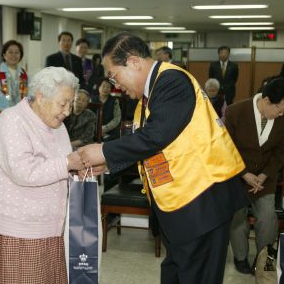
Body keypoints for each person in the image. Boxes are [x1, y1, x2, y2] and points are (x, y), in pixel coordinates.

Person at [78, 32, 249, 284]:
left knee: (196, 276)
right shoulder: (150, 95)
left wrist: (102, 150)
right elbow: (151, 146)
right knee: (176, 272)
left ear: (134, 62)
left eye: (114, 75)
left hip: (202, 203)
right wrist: (108, 163)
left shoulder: (171, 81)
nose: (115, 85)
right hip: (181, 203)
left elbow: (155, 136)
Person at [0, 67, 84, 284]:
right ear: (40, 96)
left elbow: (62, 164)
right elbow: (24, 172)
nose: (67, 111)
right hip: (21, 232)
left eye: (70, 103)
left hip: (51, 228)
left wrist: (79, 167)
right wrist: (68, 163)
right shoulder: (12, 122)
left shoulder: (57, 125)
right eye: (62, 103)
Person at [225, 77, 284, 275]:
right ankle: (240, 257)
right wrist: (244, 173)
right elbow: (225, 149)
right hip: (237, 176)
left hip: (264, 178)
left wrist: (265, 175)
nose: (282, 113)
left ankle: (263, 257)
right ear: (266, 100)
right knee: (237, 216)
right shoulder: (235, 112)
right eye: (279, 109)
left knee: (267, 217)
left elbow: (281, 151)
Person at [0, 39, 28, 119]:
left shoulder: (23, 74)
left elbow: (26, 94)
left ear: (20, 55)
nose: (14, 55)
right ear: (4, 55)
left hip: (20, 116)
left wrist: (20, 111)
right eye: (10, 52)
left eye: (17, 52)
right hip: (1, 115)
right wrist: (11, 112)